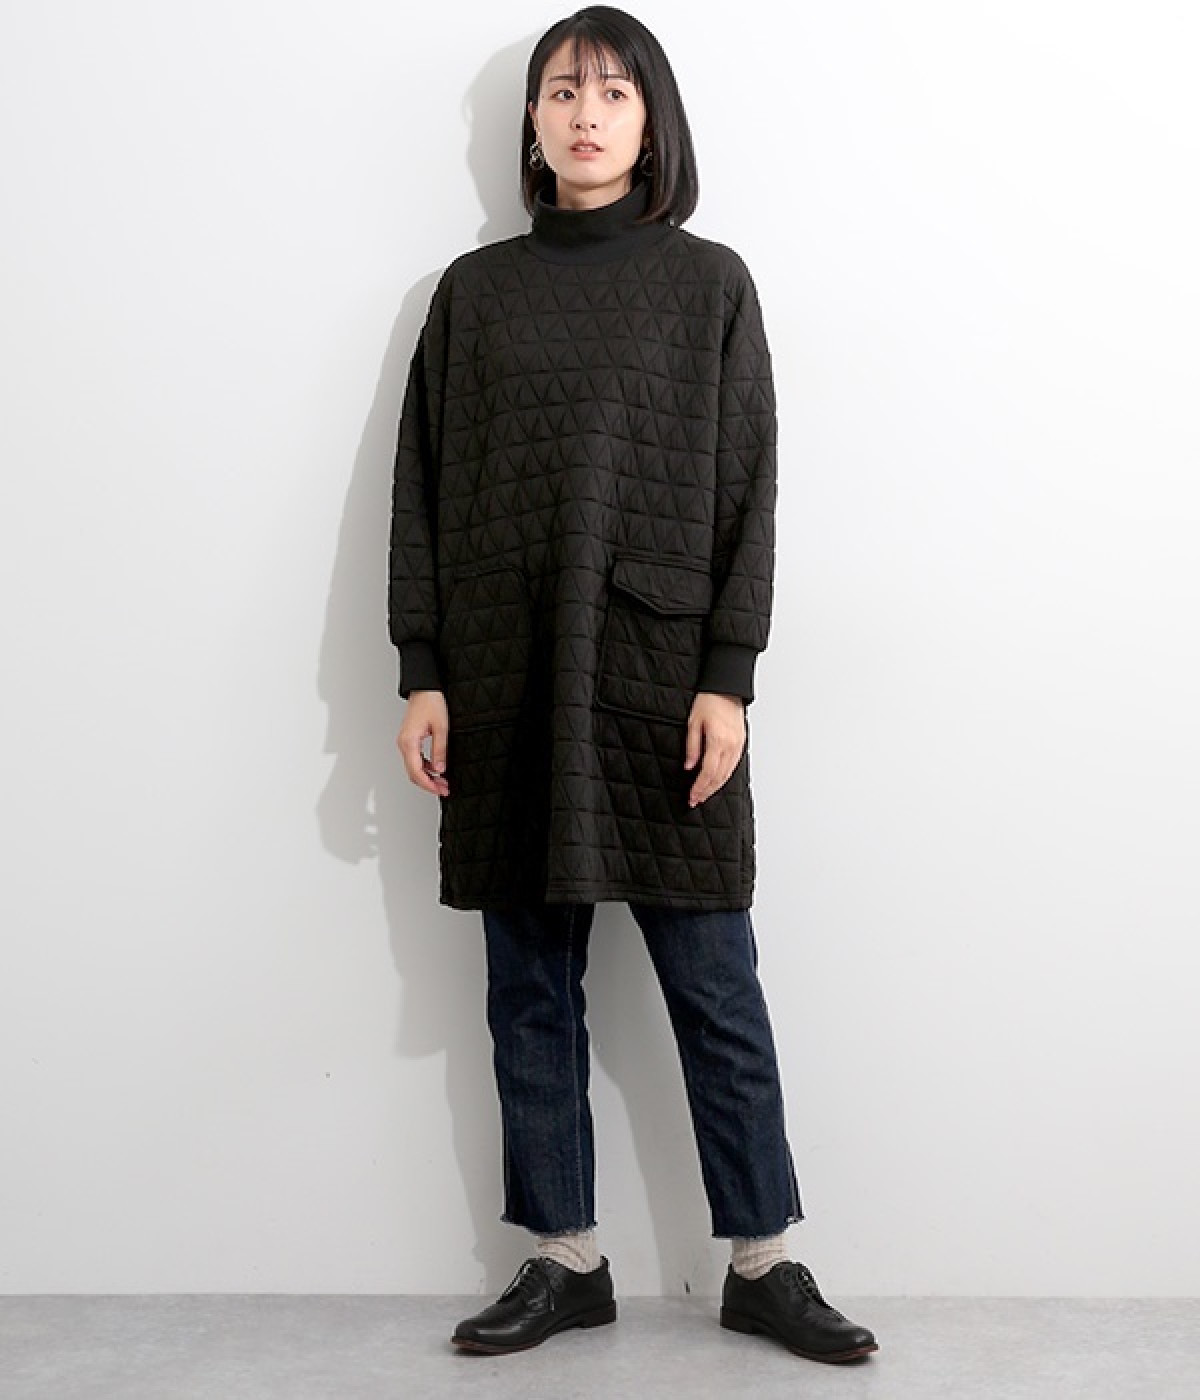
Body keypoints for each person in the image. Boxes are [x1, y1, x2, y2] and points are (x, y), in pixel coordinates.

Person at [388, 5, 878, 1365]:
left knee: (714, 979)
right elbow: (421, 485)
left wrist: (730, 677)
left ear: (653, 121)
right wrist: (423, 670)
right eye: (562, 91)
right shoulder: (472, 295)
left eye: (613, 91)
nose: (586, 113)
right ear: (532, 123)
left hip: (663, 681)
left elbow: (750, 489)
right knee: (529, 985)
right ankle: (565, 1259)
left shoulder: (710, 284)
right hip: (506, 668)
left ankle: (764, 1260)